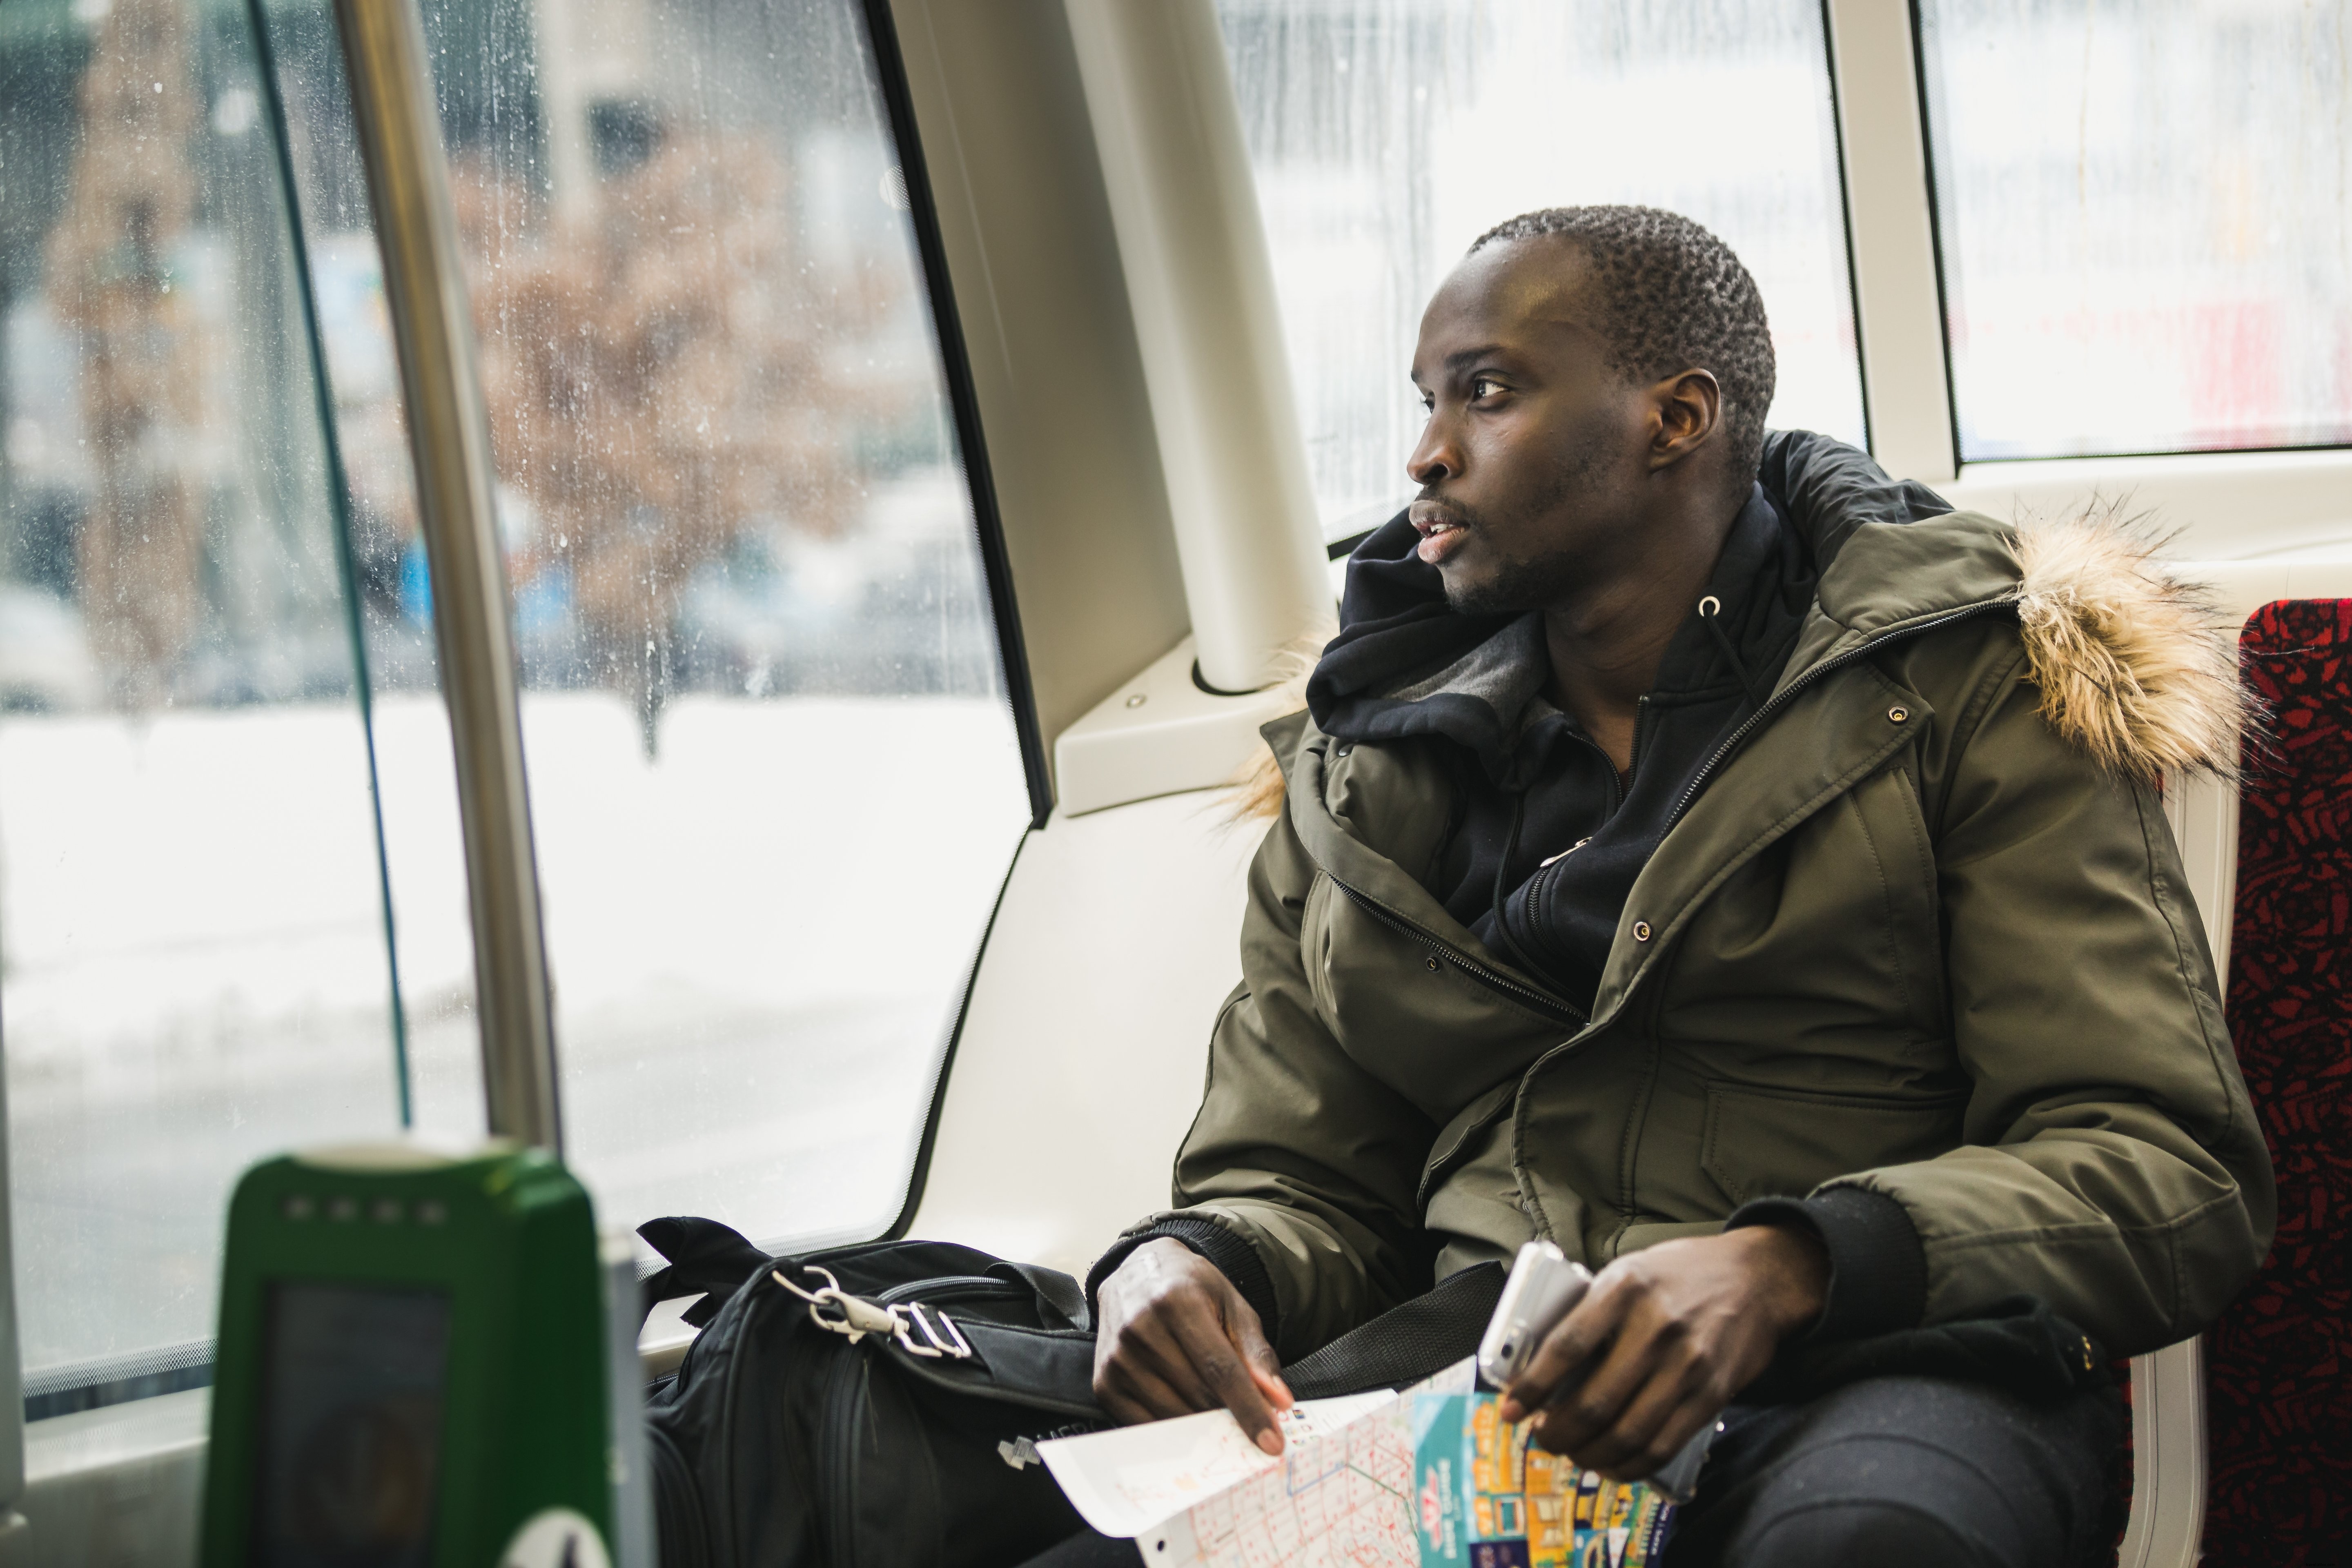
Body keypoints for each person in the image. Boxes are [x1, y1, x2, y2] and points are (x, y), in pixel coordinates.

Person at [1058, 207, 2273, 1567]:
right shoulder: (1367, 760)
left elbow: (2166, 1165)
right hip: (1485, 1378)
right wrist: (1198, 1259)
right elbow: (1305, 1172)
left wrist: (1794, 1264)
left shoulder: (1962, 681)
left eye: (1490, 391)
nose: (1426, 454)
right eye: (1426, 400)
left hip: (1880, 1360)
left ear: (1675, 419)